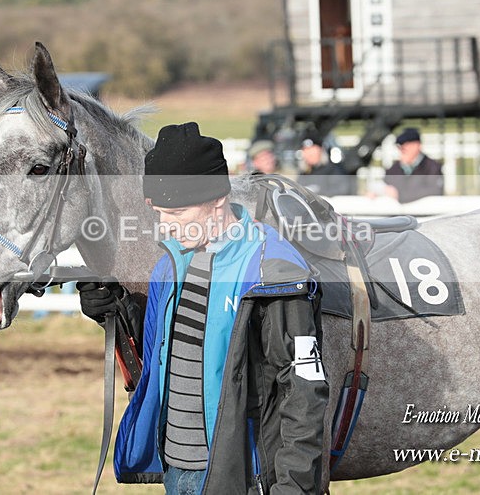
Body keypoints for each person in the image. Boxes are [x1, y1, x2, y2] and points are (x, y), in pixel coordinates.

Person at [78, 122, 328, 494]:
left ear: (217, 200)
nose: (165, 226)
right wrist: (116, 311)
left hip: (241, 476)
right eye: (158, 212)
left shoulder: (272, 272)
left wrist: (293, 487)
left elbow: (304, 391)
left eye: (177, 213)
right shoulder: (169, 263)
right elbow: (162, 355)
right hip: (175, 470)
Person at [379, 127, 443, 203]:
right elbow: (385, 185)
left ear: (417, 146)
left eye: (405, 147)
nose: (401, 150)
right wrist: (377, 194)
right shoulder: (394, 169)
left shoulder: (432, 167)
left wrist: (400, 195)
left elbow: (435, 191)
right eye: (400, 147)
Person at [297, 129, 354, 196]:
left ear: (321, 150)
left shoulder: (333, 170)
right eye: (306, 150)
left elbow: (343, 191)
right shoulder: (304, 173)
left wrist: (318, 192)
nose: (309, 154)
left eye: (313, 150)